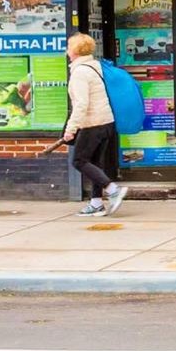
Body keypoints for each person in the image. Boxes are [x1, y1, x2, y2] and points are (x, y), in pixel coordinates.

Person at [61, 34, 127, 216]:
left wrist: (70, 129)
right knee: (95, 163)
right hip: (106, 122)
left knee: (79, 161)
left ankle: (113, 189)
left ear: (75, 50)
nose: (67, 50)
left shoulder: (80, 72)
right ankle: (96, 203)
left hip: (92, 123)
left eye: (69, 47)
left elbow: (82, 104)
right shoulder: (94, 67)